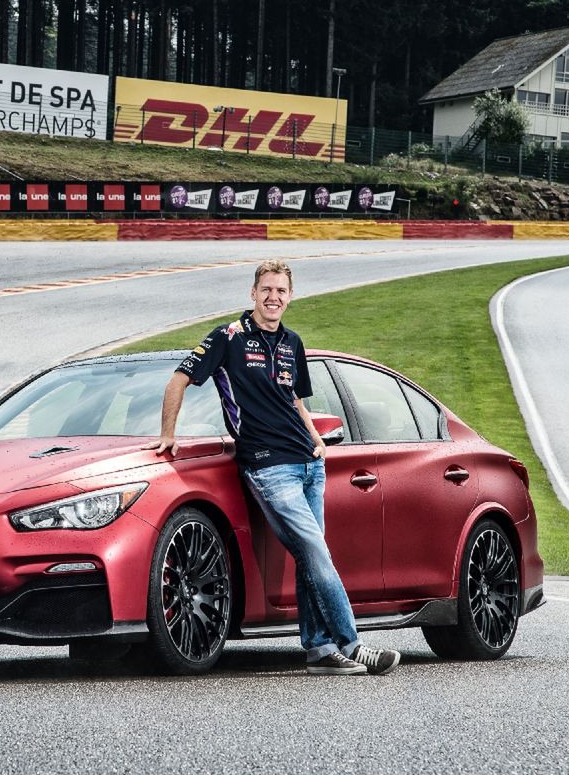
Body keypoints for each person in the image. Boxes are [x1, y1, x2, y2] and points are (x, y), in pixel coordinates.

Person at [145, 259, 401, 676]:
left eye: (281, 291)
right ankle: (352, 644)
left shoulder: (292, 343)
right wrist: (168, 432)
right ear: (253, 293)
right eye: (266, 289)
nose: (273, 297)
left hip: (307, 465)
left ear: (290, 297)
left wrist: (318, 442)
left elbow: (296, 400)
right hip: (268, 467)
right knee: (316, 551)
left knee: (308, 556)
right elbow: (179, 378)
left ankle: (319, 651)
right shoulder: (227, 338)